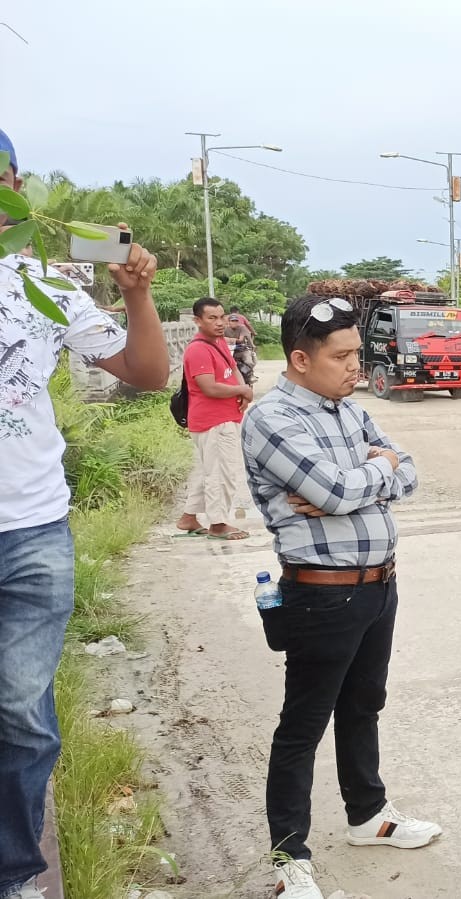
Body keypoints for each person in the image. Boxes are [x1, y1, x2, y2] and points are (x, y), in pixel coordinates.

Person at [1, 128, 168, 899]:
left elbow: (145, 372)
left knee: (21, 713)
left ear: (18, 188)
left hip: (31, 529)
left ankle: (15, 874)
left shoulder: (44, 284)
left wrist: (136, 292)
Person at [241, 295, 441, 899]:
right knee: (303, 724)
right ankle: (288, 857)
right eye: (343, 355)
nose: (358, 365)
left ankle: (367, 815)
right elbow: (329, 489)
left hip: (380, 585)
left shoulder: (347, 411)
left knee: (364, 705)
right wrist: (365, 477)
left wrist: (367, 477)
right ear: (300, 358)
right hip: (322, 594)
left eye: (358, 352)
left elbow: (408, 470)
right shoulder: (272, 418)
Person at [174, 298, 252, 540]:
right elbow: (209, 387)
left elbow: (233, 369)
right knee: (221, 473)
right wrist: (240, 391)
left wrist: (244, 389)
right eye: (212, 318)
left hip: (224, 417)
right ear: (198, 321)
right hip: (213, 421)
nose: (220, 323)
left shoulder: (217, 342)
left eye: (222, 317)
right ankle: (218, 524)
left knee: (208, 470)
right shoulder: (198, 349)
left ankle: (189, 517)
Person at [225, 305, 258, 385]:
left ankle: (250, 376)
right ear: (228, 322)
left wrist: (228, 340)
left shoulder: (242, 328)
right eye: (232, 321)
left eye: (236, 321)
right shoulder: (224, 329)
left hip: (242, 350)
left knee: (248, 361)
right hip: (228, 351)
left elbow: (240, 340)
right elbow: (220, 339)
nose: (234, 322)